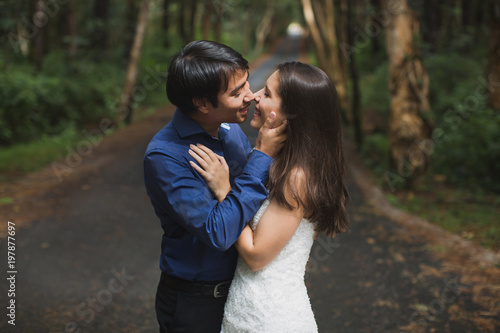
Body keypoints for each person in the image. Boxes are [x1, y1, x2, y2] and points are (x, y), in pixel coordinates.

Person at [189, 61, 350, 332]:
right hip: (248, 309)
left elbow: (255, 255)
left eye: (267, 94)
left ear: (291, 114)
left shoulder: (297, 177)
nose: (254, 96)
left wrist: (224, 189)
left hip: (269, 318)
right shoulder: (282, 162)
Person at [143, 40, 286, 333]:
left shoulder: (231, 130)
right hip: (197, 302)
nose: (252, 97)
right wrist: (261, 157)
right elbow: (218, 232)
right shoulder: (166, 156)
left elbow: (255, 199)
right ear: (202, 103)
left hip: (244, 291)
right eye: (237, 92)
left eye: (247, 84)